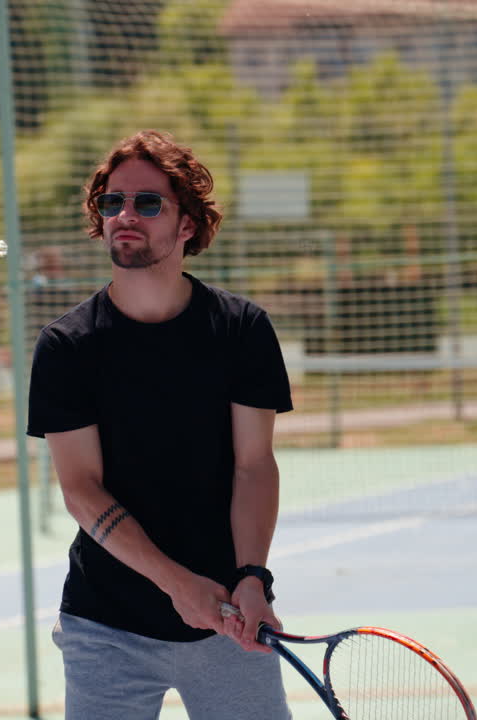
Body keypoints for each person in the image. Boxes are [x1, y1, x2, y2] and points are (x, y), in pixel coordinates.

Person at [27, 130, 293, 719]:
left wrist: (252, 576)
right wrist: (178, 583)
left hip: (229, 619)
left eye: (149, 203)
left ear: (187, 225)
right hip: (106, 627)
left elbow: (254, 465)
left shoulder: (242, 330)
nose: (126, 214)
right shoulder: (66, 347)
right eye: (112, 201)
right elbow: (80, 490)